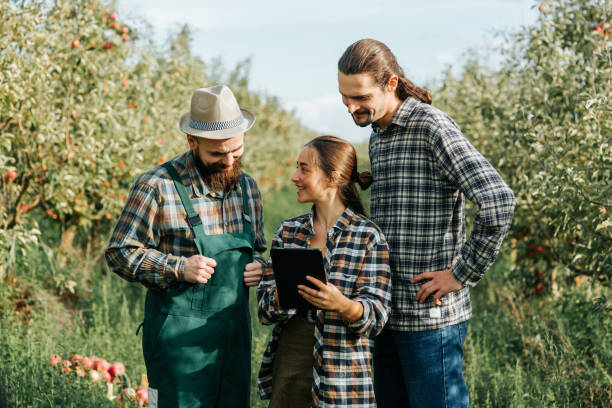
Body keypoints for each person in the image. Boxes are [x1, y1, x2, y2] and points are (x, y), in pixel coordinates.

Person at [337, 39, 516, 408]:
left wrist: (460, 274)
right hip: (386, 312)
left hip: (430, 319)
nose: (351, 106)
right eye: (344, 96)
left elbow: (498, 200)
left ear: (390, 84)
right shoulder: (379, 136)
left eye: (360, 96)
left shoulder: (431, 127)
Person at [105, 85, 266, 408]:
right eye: (217, 154)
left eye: (236, 151)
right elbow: (119, 252)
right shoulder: (157, 186)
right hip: (177, 347)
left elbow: (257, 246)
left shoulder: (247, 187)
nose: (228, 161)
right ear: (192, 142)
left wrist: (259, 266)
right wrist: (179, 267)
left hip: (233, 342)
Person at [257, 135, 392, 408]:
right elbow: (263, 309)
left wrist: (341, 305)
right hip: (291, 359)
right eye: (297, 167)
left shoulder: (368, 236)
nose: (295, 176)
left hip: (342, 367)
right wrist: (283, 298)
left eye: (304, 168)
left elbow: (377, 317)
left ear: (333, 178)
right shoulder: (288, 232)